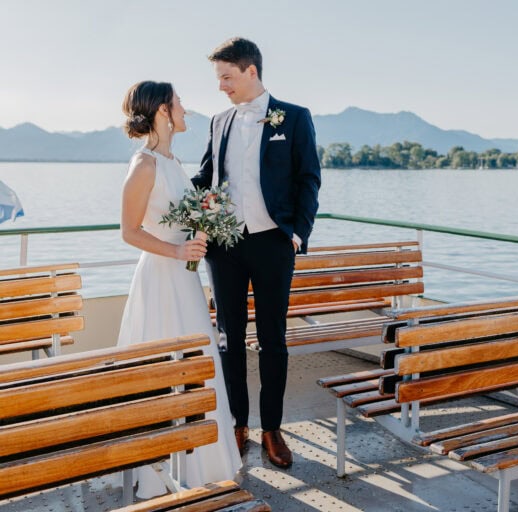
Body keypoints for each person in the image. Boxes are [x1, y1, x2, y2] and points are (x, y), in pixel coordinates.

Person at [192, 37, 321, 468]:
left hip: (273, 243)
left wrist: (298, 233)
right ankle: (236, 423)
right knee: (228, 339)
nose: (221, 86)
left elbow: (309, 180)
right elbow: (206, 176)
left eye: (226, 77)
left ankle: (272, 429)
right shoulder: (219, 121)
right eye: (219, 79)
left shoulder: (295, 118)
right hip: (224, 247)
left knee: (272, 340)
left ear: (250, 71)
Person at [118, 80, 241, 498]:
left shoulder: (172, 160)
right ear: (162, 112)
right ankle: (156, 470)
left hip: (185, 279)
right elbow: (129, 232)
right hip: (161, 279)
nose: (185, 108)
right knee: (165, 369)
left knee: (196, 364)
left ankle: (202, 463)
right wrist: (176, 250)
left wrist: (199, 230)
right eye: (179, 103)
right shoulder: (145, 165)